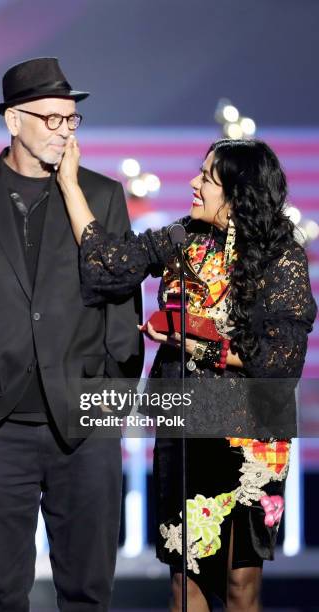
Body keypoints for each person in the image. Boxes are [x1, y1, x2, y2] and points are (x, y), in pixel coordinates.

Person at [56, 135, 317, 611]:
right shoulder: (181, 238)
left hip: (252, 433)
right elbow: (106, 266)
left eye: (208, 178)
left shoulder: (281, 256)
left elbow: (282, 359)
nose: (193, 183)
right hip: (185, 425)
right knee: (184, 583)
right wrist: (71, 185)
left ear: (238, 194)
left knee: (241, 586)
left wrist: (201, 342)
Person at [0, 58, 143, 612]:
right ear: (13, 121)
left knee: (89, 593)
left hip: (85, 426)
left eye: (72, 120)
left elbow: (122, 306)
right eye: (51, 119)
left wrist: (110, 397)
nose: (64, 131)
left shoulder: (102, 196)